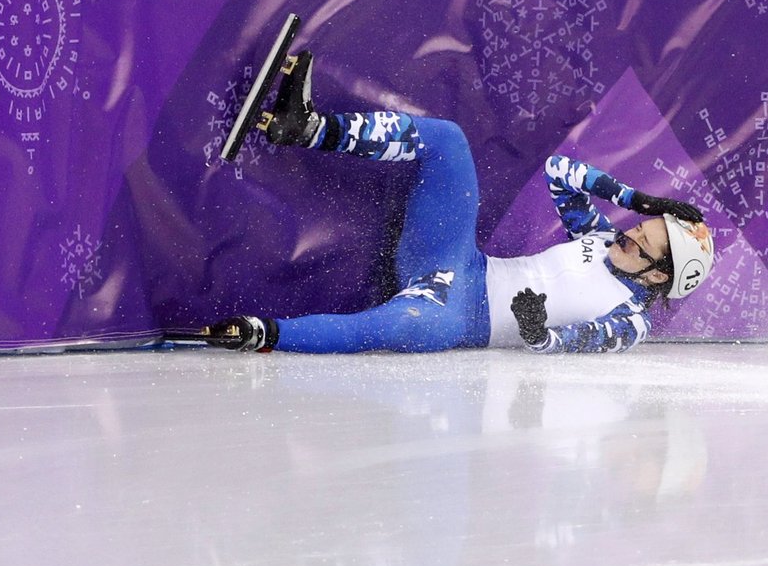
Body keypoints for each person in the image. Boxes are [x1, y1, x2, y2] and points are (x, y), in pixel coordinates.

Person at [204, 50, 714, 354]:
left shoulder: (632, 319)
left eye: (642, 241)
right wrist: (637, 196)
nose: (631, 232)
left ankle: (263, 333)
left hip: (459, 319)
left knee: (400, 327)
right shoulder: (601, 236)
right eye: (642, 224)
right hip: (458, 262)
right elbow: (563, 173)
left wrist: (539, 335)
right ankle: (309, 127)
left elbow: (583, 342)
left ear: (657, 277)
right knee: (448, 141)